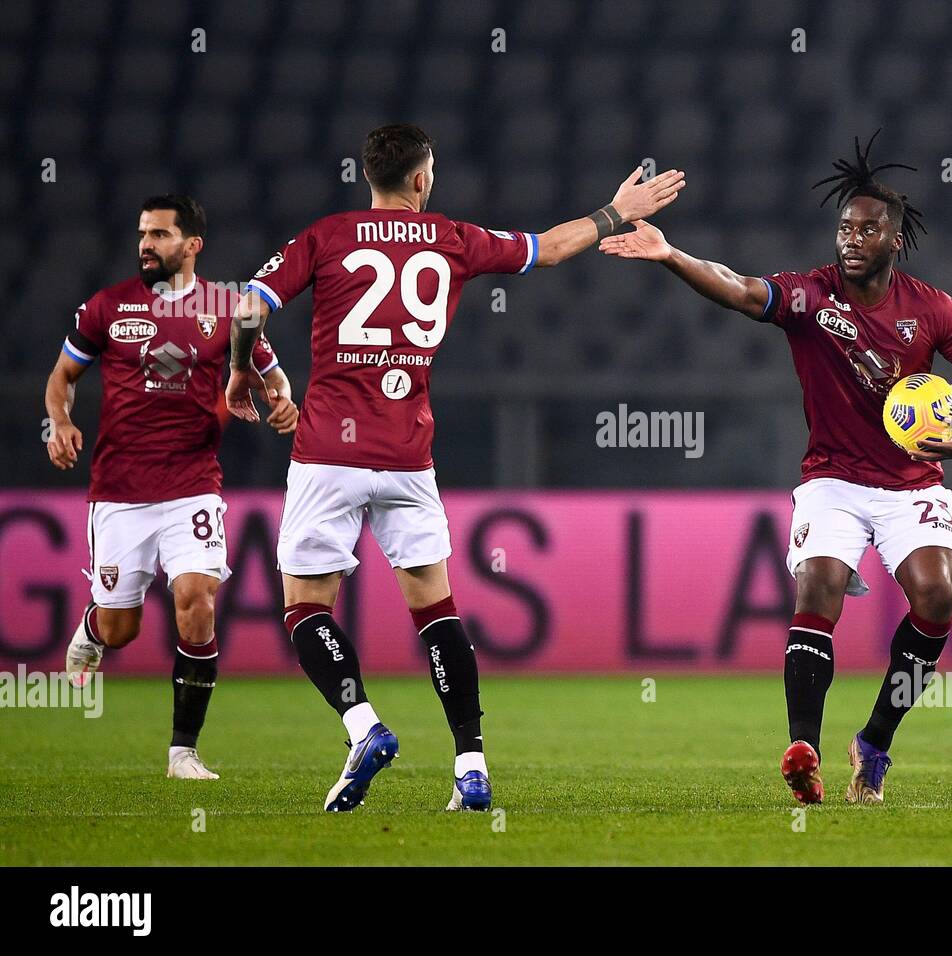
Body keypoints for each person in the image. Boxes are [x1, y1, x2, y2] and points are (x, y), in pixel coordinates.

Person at [227, 124, 685, 812]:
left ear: (370, 177)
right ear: (421, 179)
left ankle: (365, 727)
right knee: (437, 614)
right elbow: (552, 250)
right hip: (408, 455)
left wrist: (244, 376)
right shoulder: (452, 238)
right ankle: (471, 768)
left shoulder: (325, 237)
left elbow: (245, 309)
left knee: (304, 609)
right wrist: (616, 212)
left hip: (328, 453)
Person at [600, 133, 952, 805]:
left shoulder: (933, 309)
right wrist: (671, 253)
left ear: (894, 241)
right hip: (833, 480)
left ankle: (875, 741)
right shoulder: (809, 297)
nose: (852, 238)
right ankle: (804, 749)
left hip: (911, 483)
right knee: (818, 584)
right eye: (845, 227)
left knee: (938, 596)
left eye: (868, 229)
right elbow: (736, 288)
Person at [47, 195, 297, 780]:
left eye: (159, 235)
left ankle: (182, 751)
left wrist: (282, 398)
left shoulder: (228, 308)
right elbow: (63, 377)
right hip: (119, 491)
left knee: (197, 604)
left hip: (192, 485)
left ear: (191, 245)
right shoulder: (106, 308)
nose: (145, 245)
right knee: (121, 629)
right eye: (143, 234)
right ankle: (92, 627)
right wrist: (60, 421)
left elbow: (270, 369)